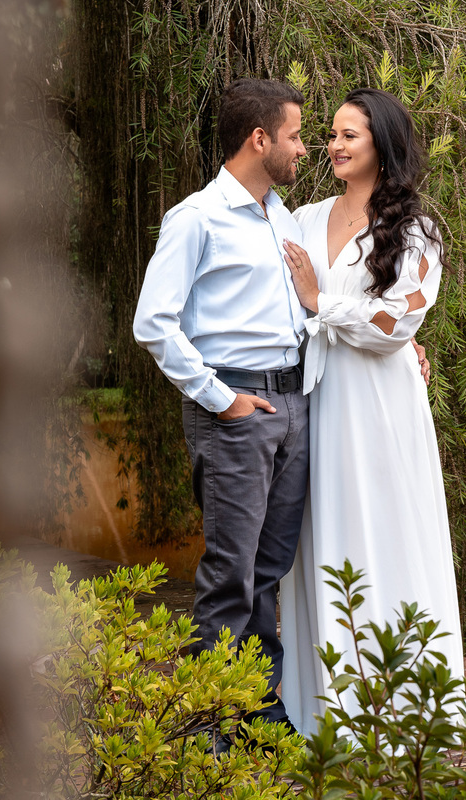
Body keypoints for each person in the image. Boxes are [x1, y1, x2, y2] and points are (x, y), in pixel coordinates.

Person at [278, 88, 464, 737]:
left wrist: (320, 301)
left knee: (386, 532)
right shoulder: (302, 218)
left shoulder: (416, 231)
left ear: (380, 145)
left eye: (348, 135)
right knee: (323, 538)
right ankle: (324, 714)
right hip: (320, 401)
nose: (333, 145)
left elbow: (397, 322)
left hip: (382, 407)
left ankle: (404, 713)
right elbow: (273, 300)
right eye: (330, 134)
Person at [132, 78, 310, 741]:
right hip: (236, 404)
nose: (303, 147)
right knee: (231, 571)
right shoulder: (196, 219)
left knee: (267, 568)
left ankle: (258, 708)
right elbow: (153, 323)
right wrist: (221, 397)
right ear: (259, 139)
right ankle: (211, 721)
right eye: (294, 134)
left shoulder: (281, 215)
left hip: (292, 401)